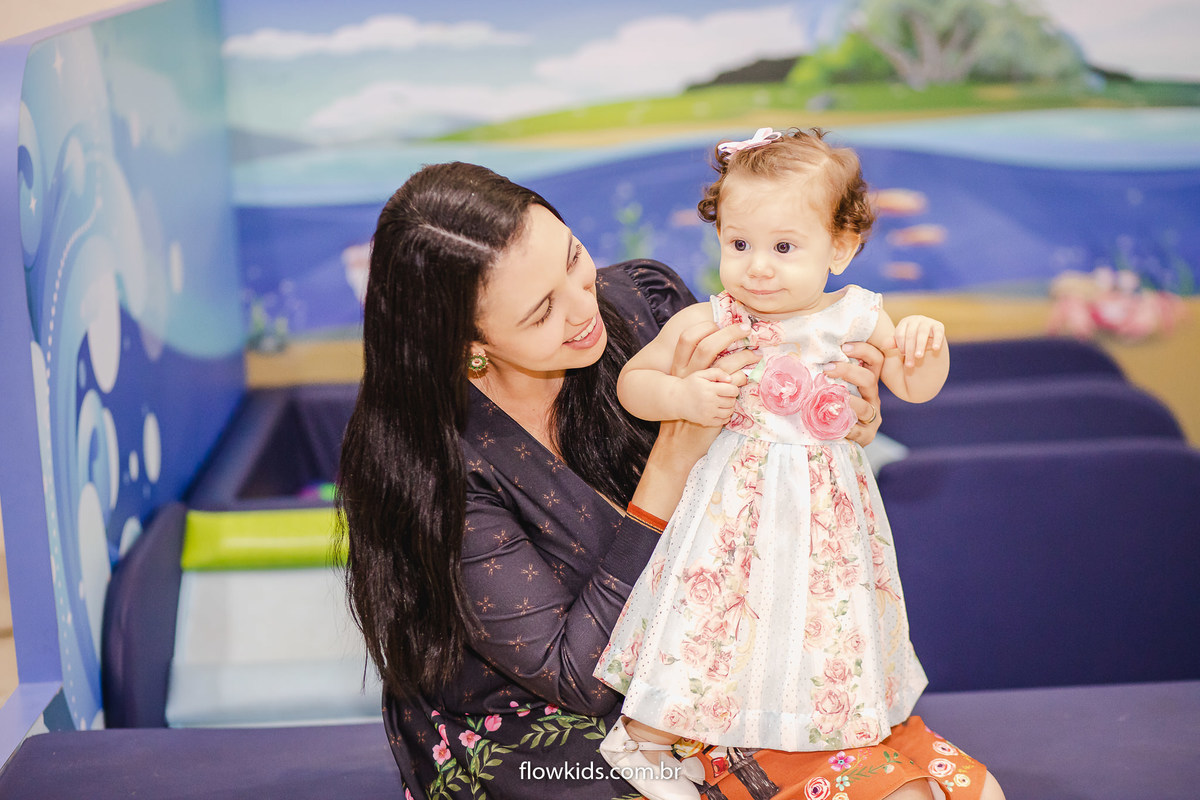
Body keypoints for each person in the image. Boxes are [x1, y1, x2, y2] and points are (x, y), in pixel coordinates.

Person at [337, 160, 997, 800]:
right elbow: (577, 678)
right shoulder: (438, 467)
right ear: (466, 344)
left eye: (573, 258)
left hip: (720, 657)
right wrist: (672, 460)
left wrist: (849, 417)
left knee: (964, 790)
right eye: (540, 313)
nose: (583, 307)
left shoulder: (644, 307)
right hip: (548, 725)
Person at [591, 129, 999, 800]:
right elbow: (635, 382)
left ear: (840, 247)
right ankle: (646, 738)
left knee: (817, 620)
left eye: (784, 248)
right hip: (733, 514)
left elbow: (914, 384)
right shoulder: (710, 320)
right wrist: (684, 395)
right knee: (709, 617)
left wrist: (927, 346)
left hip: (825, 524)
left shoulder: (857, 315)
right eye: (738, 244)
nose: (757, 267)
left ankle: (810, 721)